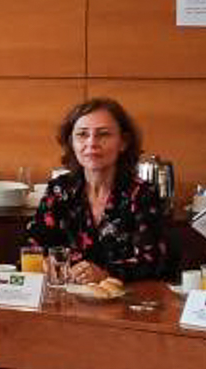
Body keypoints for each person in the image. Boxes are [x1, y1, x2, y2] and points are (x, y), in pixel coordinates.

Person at [25, 98, 173, 283]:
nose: (92, 143)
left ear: (123, 142)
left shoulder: (142, 193)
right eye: (82, 134)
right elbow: (33, 247)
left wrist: (106, 273)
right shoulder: (59, 190)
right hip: (66, 295)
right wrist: (44, 262)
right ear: (71, 142)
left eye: (103, 134)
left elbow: (153, 262)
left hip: (124, 298)